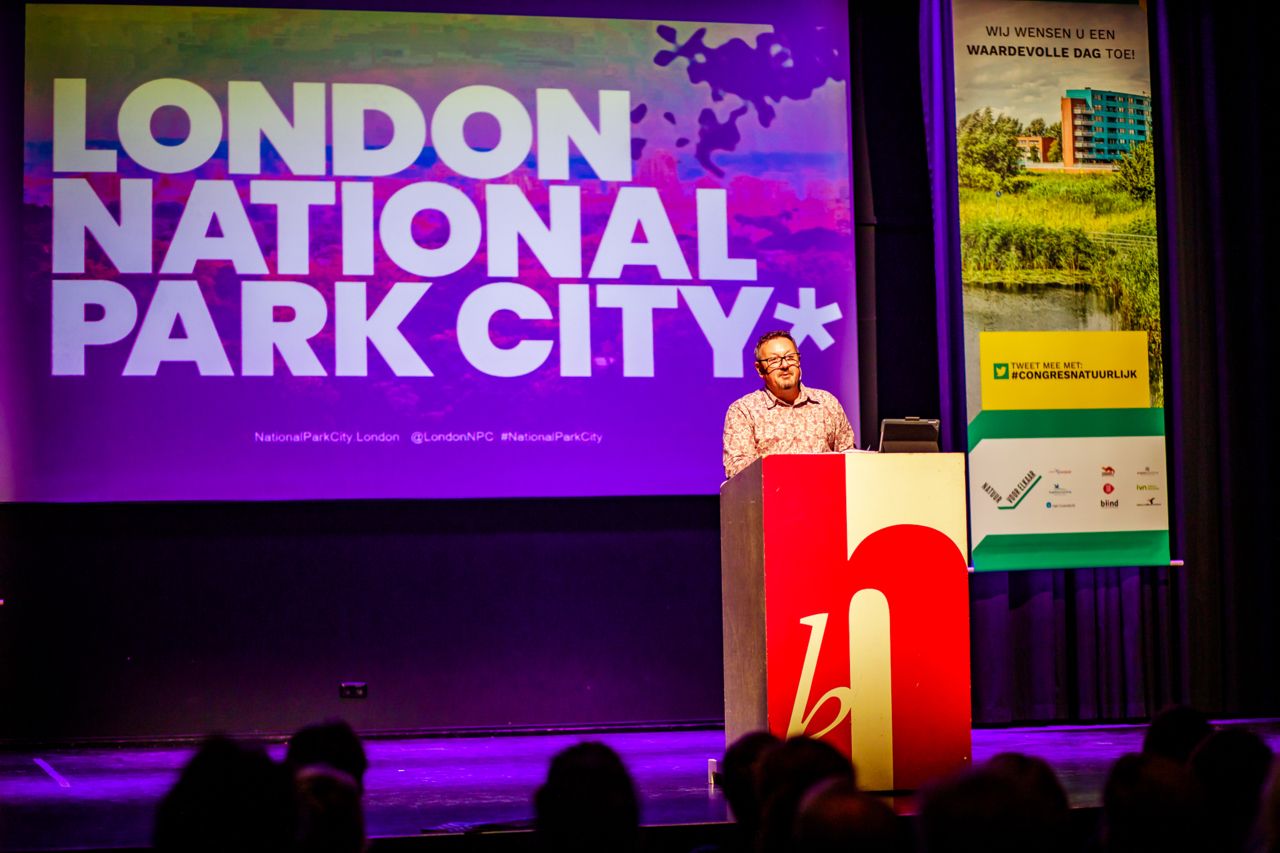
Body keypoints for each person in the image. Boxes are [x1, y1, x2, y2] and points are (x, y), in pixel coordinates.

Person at [722, 330, 855, 479]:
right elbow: (736, 469)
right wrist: (788, 470)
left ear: (799, 361)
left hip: (825, 498)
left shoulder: (826, 403)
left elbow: (850, 459)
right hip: (772, 499)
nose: (784, 365)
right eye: (774, 360)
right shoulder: (744, 410)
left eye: (790, 357)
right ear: (760, 369)